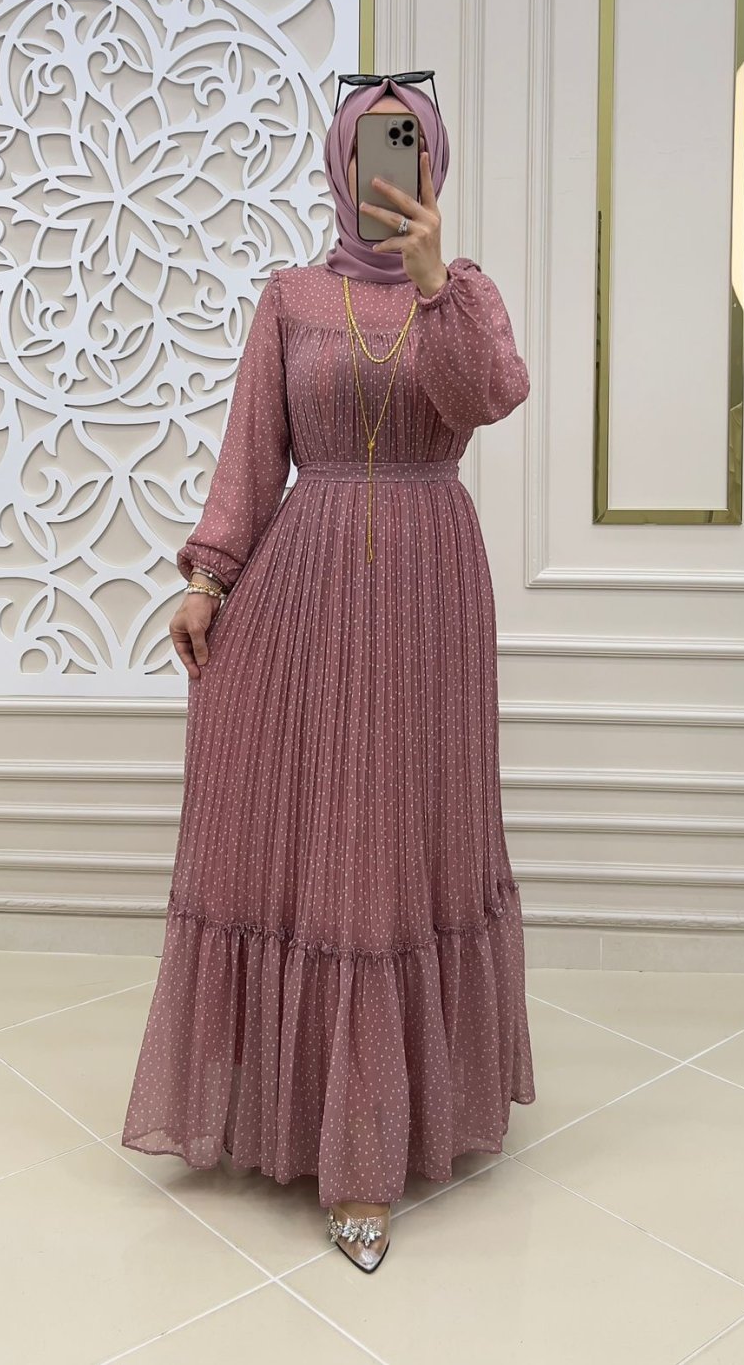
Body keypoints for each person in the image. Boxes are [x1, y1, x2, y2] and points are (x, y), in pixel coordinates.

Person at [122, 74, 536, 1273]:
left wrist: (432, 279)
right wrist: (207, 578)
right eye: (368, 149)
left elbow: (489, 397)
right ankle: (323, 1128)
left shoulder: (464, 294)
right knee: (323, 846)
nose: (386, 169)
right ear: (339, 164)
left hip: (429, 588)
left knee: (397, 846)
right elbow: (253, 451)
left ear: (432, 162)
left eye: (404, 148)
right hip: (304, 586)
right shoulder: (290, 298)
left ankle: (379, 1143)